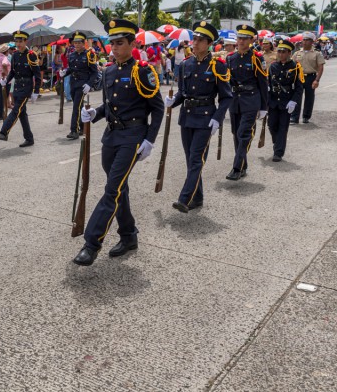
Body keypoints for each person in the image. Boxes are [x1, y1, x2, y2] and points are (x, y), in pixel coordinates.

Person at [73, 19, 163, 266]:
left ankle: (91, 244)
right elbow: (109, 106)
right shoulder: (109, 71)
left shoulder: (143, 71)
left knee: (112, 190)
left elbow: (157, 109)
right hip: (111, 137)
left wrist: (150, 140)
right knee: (119, 189)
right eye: (112, 43)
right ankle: (129, 235)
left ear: (133, 43)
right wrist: (95, 114)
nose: (114, 47)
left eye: (120, 43)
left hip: (133, 137)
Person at [164, 22, 232, 213]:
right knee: (191, 159)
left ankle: (185, 198)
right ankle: (198, 197)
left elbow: (227, 97)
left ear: (209, 43)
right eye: (194, 39)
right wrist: (173, 101)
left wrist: (217, 118)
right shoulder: (186, 64)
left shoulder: (218, 66)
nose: (195, 43)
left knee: (196, 158)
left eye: (200, 40)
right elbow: (183, 93)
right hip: (187, 117)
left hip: (205, 118)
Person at [225, 24, 268, 181]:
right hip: (235, 100)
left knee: (243, 133)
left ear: (251, 40)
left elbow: (263, 83)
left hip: (251, 99)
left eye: (244, 38)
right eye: (239, 38)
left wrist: (264, 107)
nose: (241, 41)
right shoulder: (230, 58)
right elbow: (227, 82)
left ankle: (236, 167)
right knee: (236, 134)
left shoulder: (256, 58)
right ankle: (243, 165)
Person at [0, 30, 41, 148]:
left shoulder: (31, 54)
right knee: (22, 114)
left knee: (15, 110)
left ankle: (4, 132)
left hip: (26, 88)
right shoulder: (14, 55)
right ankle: (29, 138)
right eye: (17, 41)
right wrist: (6, 80)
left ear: (26, 41)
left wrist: (36, 91)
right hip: (17, 87)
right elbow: (13, 72)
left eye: (21, 41)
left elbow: (37, 75)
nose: (18, 44)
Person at [268, 40, 304, 162]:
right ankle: (277, 143)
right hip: (273, 101)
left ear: (289, 53)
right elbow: (268, 84)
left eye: (283, 52)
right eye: (279, 51)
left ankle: (278, 152)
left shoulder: (295, 67)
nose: (280, 54)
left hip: (286, 101)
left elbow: (299, 87)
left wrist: (294, 101)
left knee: (283, 127)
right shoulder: (273, 66)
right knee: (272, 125)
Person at [59, 31, 99, 140]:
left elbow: (94, 72)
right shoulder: (72, 55)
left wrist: (89, 84)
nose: (76, 45)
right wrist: (65, 72)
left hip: (83, 84)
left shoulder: (89, 54)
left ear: (83, 43)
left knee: (76, 107)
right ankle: (82, 127)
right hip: (73, 83)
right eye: (75, 43)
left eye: (79, 43)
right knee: (79, 107)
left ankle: (74, 131)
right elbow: (71, 69)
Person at [291, 32, 325, 124]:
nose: (304, 42)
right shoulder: (297, 53)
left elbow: (320, 67)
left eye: (307, 40)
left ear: (312, 42)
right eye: (304, 40)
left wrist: (317, 80)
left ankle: (306, 116)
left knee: (309, 98)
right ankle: (294, 117)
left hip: (311, 77)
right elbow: (291, 65)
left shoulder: (317, 54)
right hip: (298, 78)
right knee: (297, 97)